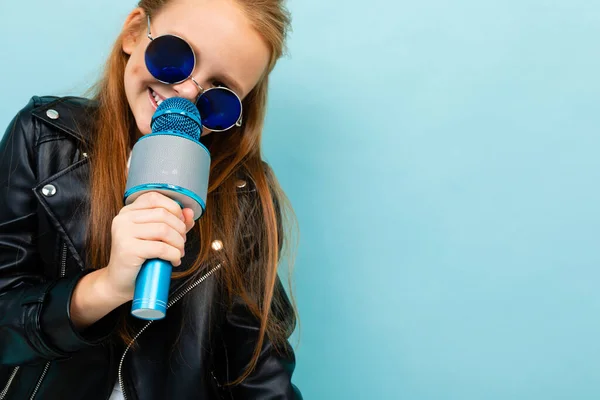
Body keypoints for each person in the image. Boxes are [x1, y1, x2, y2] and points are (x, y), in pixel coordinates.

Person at [0, 0, 301, 398]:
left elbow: (259, 369)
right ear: (134, 32)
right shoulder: (42, 138)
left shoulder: (245, 197)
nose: (187, 94)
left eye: (221, 94)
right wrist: (105, 288)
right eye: (176, 57)